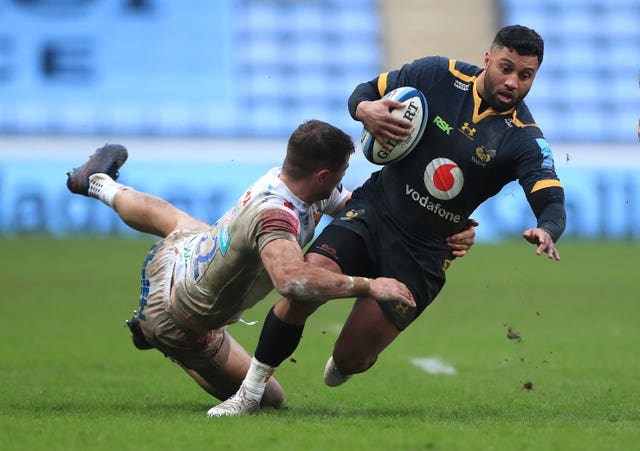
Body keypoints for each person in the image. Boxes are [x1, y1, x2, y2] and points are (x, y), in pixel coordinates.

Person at [209, 24, 566, 417]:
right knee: (301, 291)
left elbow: (550, 197)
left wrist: (547, 229)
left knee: (350, 359)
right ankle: (248, 393)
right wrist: (367, 111)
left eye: (525, 75)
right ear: (488, 59)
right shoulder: (437, 75)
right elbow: (364, 93)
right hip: (375, 212)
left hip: (425, 252)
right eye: (506, 68)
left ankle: (350, 359)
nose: (512, 82)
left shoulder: (524, 139)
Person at [65, 120, 418, 410]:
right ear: (323, 174)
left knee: (176, 220)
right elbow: (292, 281)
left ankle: (98, 183)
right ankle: (160, 338)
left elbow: (353, 208)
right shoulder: (275, 217)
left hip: (181, 254)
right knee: (271, 398)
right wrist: (370, 285)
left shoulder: (288, 178)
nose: (343, 179)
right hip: (180, 318)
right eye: (341, 171)